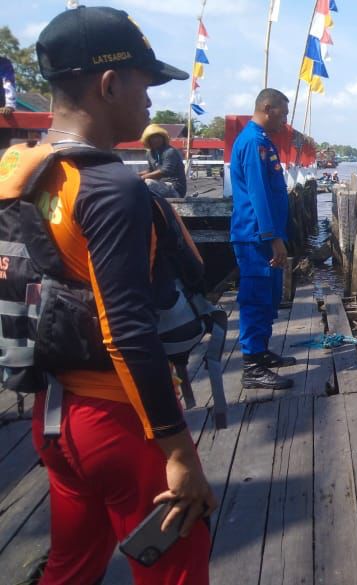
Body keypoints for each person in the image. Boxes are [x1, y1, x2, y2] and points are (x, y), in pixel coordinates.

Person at [13, 6, 215, 583]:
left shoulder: (24, 170)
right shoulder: (110, 186)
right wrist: (177, 452)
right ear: (109, 84)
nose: (151, 103)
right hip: (119, 422)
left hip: (54, 415)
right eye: (146, 85)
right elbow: (125, 329)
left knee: (71, 566)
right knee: (177, 569)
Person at [230, 88, 296, 390]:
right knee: (256, 298)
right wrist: (272, 237)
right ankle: (251, 367)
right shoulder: (254, 142)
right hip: (256, 236)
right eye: (282, 113)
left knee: (269, 297)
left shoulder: (262, 141)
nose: (285, 119)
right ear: (267, 108)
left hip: (265, 235)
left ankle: (260, 351)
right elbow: (257, 193)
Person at [138, 123, 187, 197]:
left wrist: (143, 177)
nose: (156, 140)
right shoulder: (149, 153)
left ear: (163, 138)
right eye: (153, 138)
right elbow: (151, 170)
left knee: (147, 183)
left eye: (158, 137)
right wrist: (135, 175)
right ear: (148, 140)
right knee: (134, 183)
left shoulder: (170, 151)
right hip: (160, 185)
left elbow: (165, 171)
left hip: (175, 188)